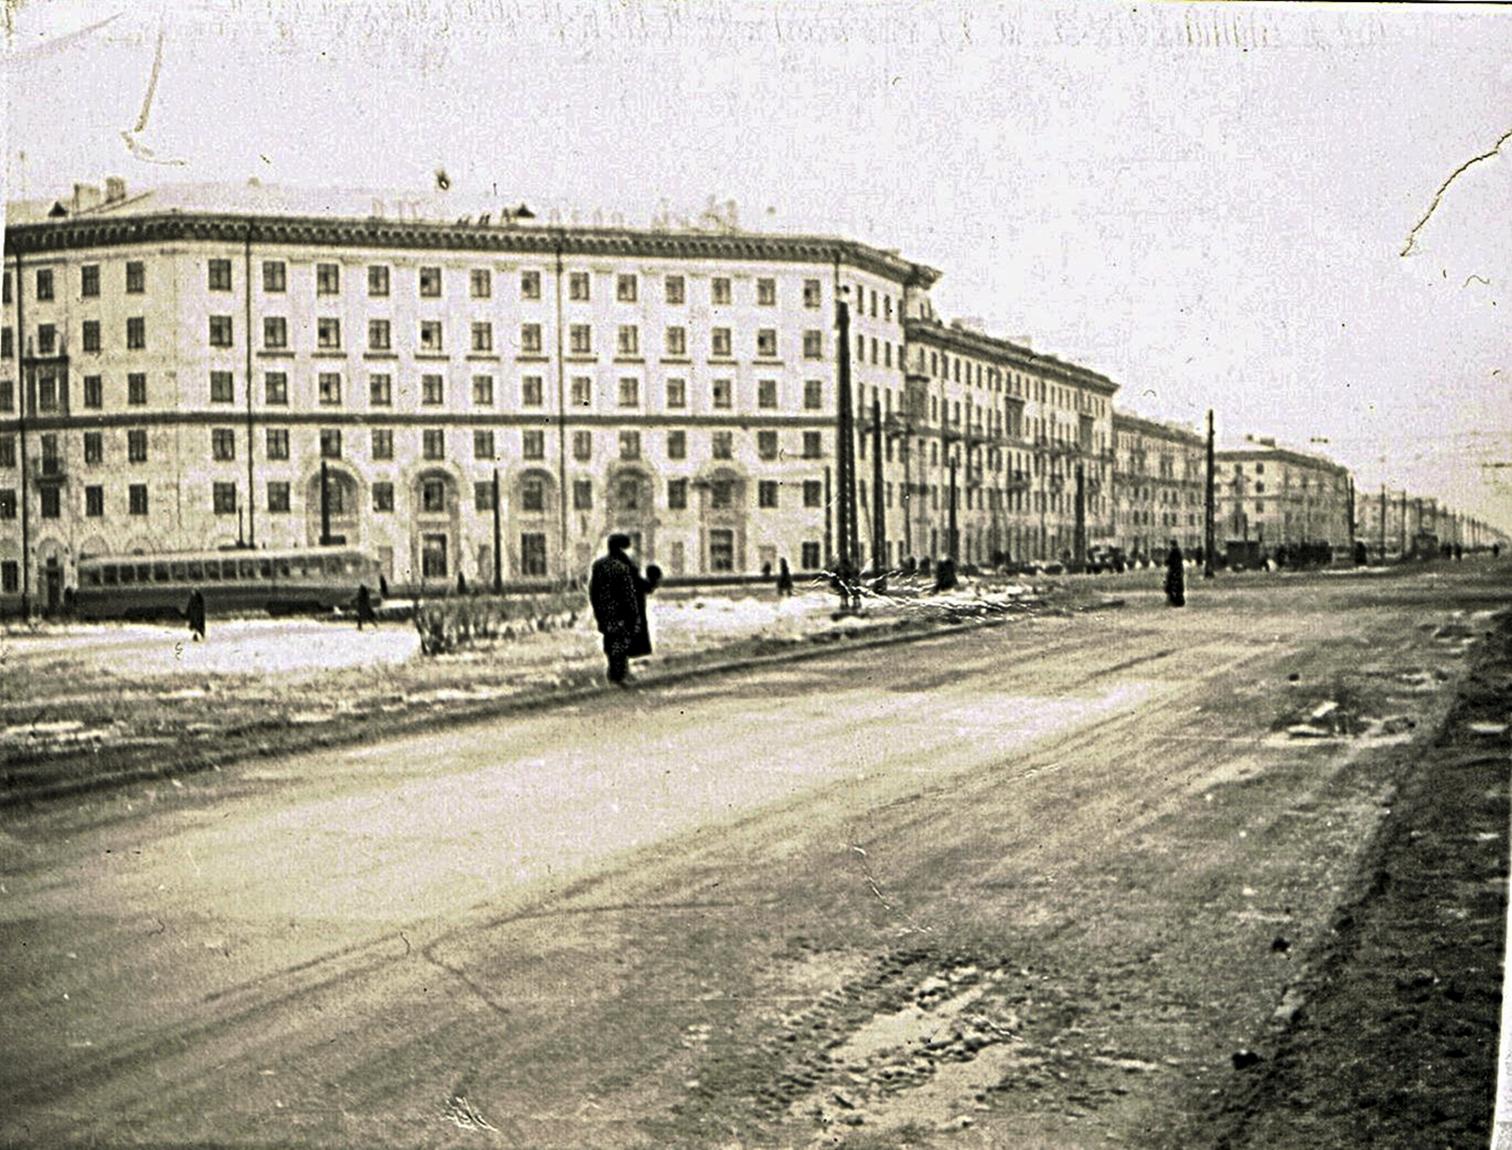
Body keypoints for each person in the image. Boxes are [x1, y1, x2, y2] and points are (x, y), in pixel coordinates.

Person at [589, 534, 660, 686]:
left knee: (611, 641)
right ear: (622, 548)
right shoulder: (624, 567)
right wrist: (653, 579)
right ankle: (619, 676)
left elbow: (593, 591)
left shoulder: (599, 565)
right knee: (621, 642)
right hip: (622, 612)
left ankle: (615, 673)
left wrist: (598, 612)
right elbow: (631, 592)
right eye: (628, 547)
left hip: (605, 612)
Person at [1164, 539, 1186, 607]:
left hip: (1173, 572)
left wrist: (1166, 562)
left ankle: (1173, 601)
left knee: (1170, 586)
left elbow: (1168, 562)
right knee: (1178, 587)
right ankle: (1179, 601)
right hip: (1179, 571)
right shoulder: (1179, 552)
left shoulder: (1172, 552)